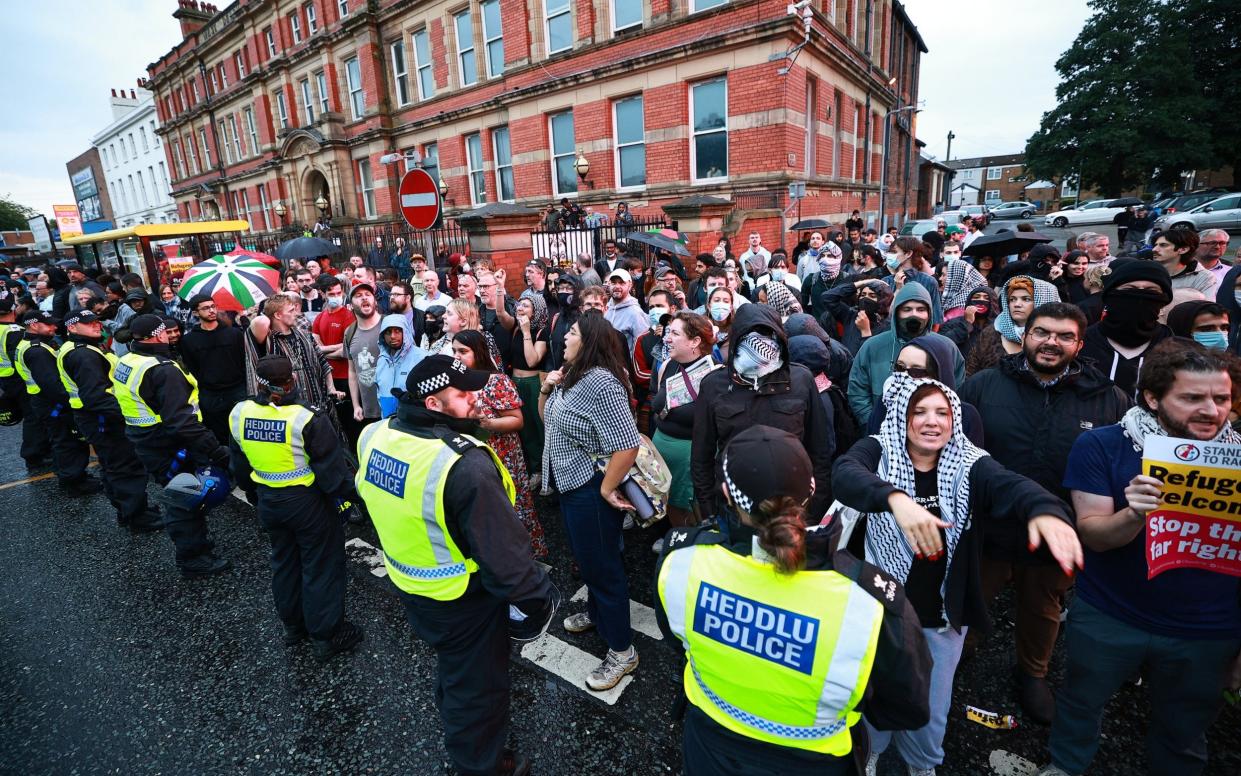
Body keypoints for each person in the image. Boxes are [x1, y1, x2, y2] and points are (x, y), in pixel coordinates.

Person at [833, 375, 1083, 776]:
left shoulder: (969, 462)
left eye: (942, 412)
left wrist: (1044, 510)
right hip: (879, 609)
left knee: (933, 703)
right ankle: (871, 752)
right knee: (872, 691)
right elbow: (845, 473)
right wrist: (895, 499)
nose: (932, 421)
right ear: (902, 416)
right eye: (920, 411)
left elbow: (1012, 485)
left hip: (941, 617)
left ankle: (922, 765)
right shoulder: (878, 449)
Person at [656, 425, 933, 776]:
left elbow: (677, 641)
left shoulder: (682, 560)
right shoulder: (868, 602)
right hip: (813, 763)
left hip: (708, 749)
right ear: (812, 490)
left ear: (726, 493)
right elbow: (906, 707)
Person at [1038, 340, 1241, 776]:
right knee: (1080, 702)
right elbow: (1093, 535)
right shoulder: (1102, 446)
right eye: (1191, 398)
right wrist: (1134, 513)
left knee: (1185, 729)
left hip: (1210, 630)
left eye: (1221, 399)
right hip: (1111, 614)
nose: (1211, 410)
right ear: (1153, 398)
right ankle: (1066, 765)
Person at [358, 354, 558, 776]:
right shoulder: (462, 462)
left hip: (412, 583)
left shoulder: (375, 435)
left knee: (456, 671)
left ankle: (465, 733)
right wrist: (537, 601)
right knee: (479, 690)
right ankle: (480, 765)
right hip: (464, 599)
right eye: (463, 393)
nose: (475, 399)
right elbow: (507, 560)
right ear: (433, 404)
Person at [958, 303, 1129, 724]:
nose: (1051, 342)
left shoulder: (1108, 399)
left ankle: (1033, 673)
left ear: (1079, 343)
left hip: (1061, 529)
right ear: (1025, 335)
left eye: (1063, 336)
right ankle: (956, 658)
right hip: (989, 524)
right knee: (971, 599)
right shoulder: (983, 385)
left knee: (1043, 606)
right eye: (1041, 332)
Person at [229, 355, 363, 660]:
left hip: (268, 499)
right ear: (294, 379)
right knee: (321, 566)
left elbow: (238, 465)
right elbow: (333, 475)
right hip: (307, 502)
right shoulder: (307, 417)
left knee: (285, 562)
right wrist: (361, 498)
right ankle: (326, 635)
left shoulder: (240, 412)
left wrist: (253, 494)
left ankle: (293, 627)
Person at [539, 314, 642, 690]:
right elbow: (549, 421)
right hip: (569, 486)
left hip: (589, 489)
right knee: (590, 561)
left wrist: (605, 488)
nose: (565, 336)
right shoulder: (571, 374)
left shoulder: (601, 382)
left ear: (589, 342)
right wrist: (547, 389)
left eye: (572, 333)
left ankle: (622, 651)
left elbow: (627, 442)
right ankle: (599, 615)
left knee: (603, 567)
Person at [693, 303, 835, 527]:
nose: (759, 343)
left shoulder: (800, 380)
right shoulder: (714, 385)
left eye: (767, 335)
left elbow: (819, 451)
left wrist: (814, 511)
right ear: (736, 338)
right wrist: (709, 512)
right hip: (733, 509)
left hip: (793, 509)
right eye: (750, 335)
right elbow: (701, 456)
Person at [114, 314, 233, 577]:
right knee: (183, 499)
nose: (171, 335)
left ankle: (196, 550)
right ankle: (193, 558)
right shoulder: (162, 370)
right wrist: (215, 450)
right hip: (169, 444)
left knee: (179, 495)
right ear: (158, 335)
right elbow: (181, 421)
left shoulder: (129, 359)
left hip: (146, 439)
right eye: (167, 331)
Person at [57, 309, 162, 530]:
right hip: (104, 420)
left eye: (96, 321)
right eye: (89, 323)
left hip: (94, 418)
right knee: (124, 465)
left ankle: (129, 509)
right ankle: (136, 516)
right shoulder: (83, 354)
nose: (97, 325)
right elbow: (96, 396)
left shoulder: (80, 347)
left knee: (112, 465)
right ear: (72, 328)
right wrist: (126, 416)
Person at [452, 330, 546, 559]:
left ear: (480, 352)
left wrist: (488, 423)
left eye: (463, 352)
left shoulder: (495, 381)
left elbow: (517, 420)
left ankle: (527, 556)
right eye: (454, 351)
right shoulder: (457, 381)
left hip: (502, 456)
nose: (456, 357)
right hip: (474, 456)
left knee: (512, 506)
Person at [847, 283, 963, 425]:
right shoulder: (873, 346)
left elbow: (957, 391)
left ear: (929, 313)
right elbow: (857, 391)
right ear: (897, 312)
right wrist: (873, 423)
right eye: (907, 309)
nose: (914, 314)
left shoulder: (946, 348)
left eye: (920, 309)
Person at [651, 312, 720, 544]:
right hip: (661, 449)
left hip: (689, 457)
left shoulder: (714, 376)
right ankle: (675, 538)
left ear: (695, 342)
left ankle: (690, 546)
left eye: (675, 333)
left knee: (689, 509)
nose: (667, 339)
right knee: (669, 503)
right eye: (668, 332)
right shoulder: (668, 366)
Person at [15, 309, 99, 495]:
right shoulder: (37, 351)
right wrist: (72, 403)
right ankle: (74, 481)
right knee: (67, 441)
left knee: (62, 440)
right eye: (49, 324)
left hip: (43, 402)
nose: (55, 327)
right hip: (53, 405)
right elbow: (53, 385)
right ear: (35, 325)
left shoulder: (30, 344)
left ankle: (73, 476)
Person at [248, 293, 348, 446]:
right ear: (278, 315)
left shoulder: (304, 335)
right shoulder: (268, 339)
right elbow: (260, 321)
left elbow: (323, 362)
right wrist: (271, 304)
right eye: (291, 311)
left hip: (320, 404)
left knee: (333, 448)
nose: (296, 314)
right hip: (290, 411)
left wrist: (331, 388)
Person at [1079, 259, 1173, 398]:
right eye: (1129, 289)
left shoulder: (1178, 350)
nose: (1140, 296)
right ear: (1110, 294)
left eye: (1151, 291)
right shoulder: (1080, 344)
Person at [178, 294, 247, 446]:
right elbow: (192, 367)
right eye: (206, 308)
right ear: (196, 313)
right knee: (218, 434)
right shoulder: (189, 340)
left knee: (242, 431)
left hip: (237, 390)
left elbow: (243, 361)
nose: (211, 311)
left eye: (213, 306)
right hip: (210, 394)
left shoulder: (234, 334)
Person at [965, 276, 1061, 376]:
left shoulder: (1058, 338)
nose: (1017, 304)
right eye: (1012, 299)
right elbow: (971, 372)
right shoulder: (992, 332)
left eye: (1026, 299)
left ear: (1043, 301)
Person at [0, 296, 52, 469]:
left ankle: (39, 450)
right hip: (18, 378)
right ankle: (34, 454)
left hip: (5, 378)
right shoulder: (13, 331)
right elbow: (20, 357)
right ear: (12, 312)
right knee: (33, 416)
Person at [510, 294, 549, 484]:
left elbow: (532, 360)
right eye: (520, 304)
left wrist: (527, 332)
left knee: (539, 427)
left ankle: (547, 471)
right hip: (515, 382)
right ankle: (536, 470)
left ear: (536, 311)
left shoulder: (541, 332)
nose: (520, 307)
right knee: (525, 429)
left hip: (533, 384)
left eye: (526, 305)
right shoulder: (515, 328)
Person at [344, 282, 384, 436]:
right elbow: (352, 371)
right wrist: (356, 405)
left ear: (375, 301)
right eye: (358, 296)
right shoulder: (349, 332)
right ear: (351, 305)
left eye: (368, 295)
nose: (364, 298)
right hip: (369, 410)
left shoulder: (389, 324)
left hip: (394, 407)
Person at [374, 313, 425, 418]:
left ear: (405, 332)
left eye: (397, 331)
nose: (392, 336)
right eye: (388, 332)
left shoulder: (422, 358)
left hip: (412, 423)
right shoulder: (382, 360)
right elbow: (380, 393)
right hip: (387, 423)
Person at [938, 286, 998, 363]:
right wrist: (966, 324)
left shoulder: (1000, 327)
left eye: (986, 298)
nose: (981, 300)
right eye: (976, 297)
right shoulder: (954, 323)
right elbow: (941, 345)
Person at [1152, 228, 1215, 296]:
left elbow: (1205, 305)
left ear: (1183, 249)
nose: (1154, 249)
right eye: (1155, 245)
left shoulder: (1203, 277)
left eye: (1163, 245)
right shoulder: (1148, 271)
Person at [603, 268, 647, 351]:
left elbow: (642, 345)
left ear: (630, 285)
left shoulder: (635, 313)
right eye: (613, 283)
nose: (617, 286)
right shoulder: (606, 308)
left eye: (621, 283)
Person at [1165, 300, 1230, 350]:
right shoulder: (1163, 366)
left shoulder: (1234, 365)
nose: (1220, 336)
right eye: (1207, 329)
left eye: (1224, 328)